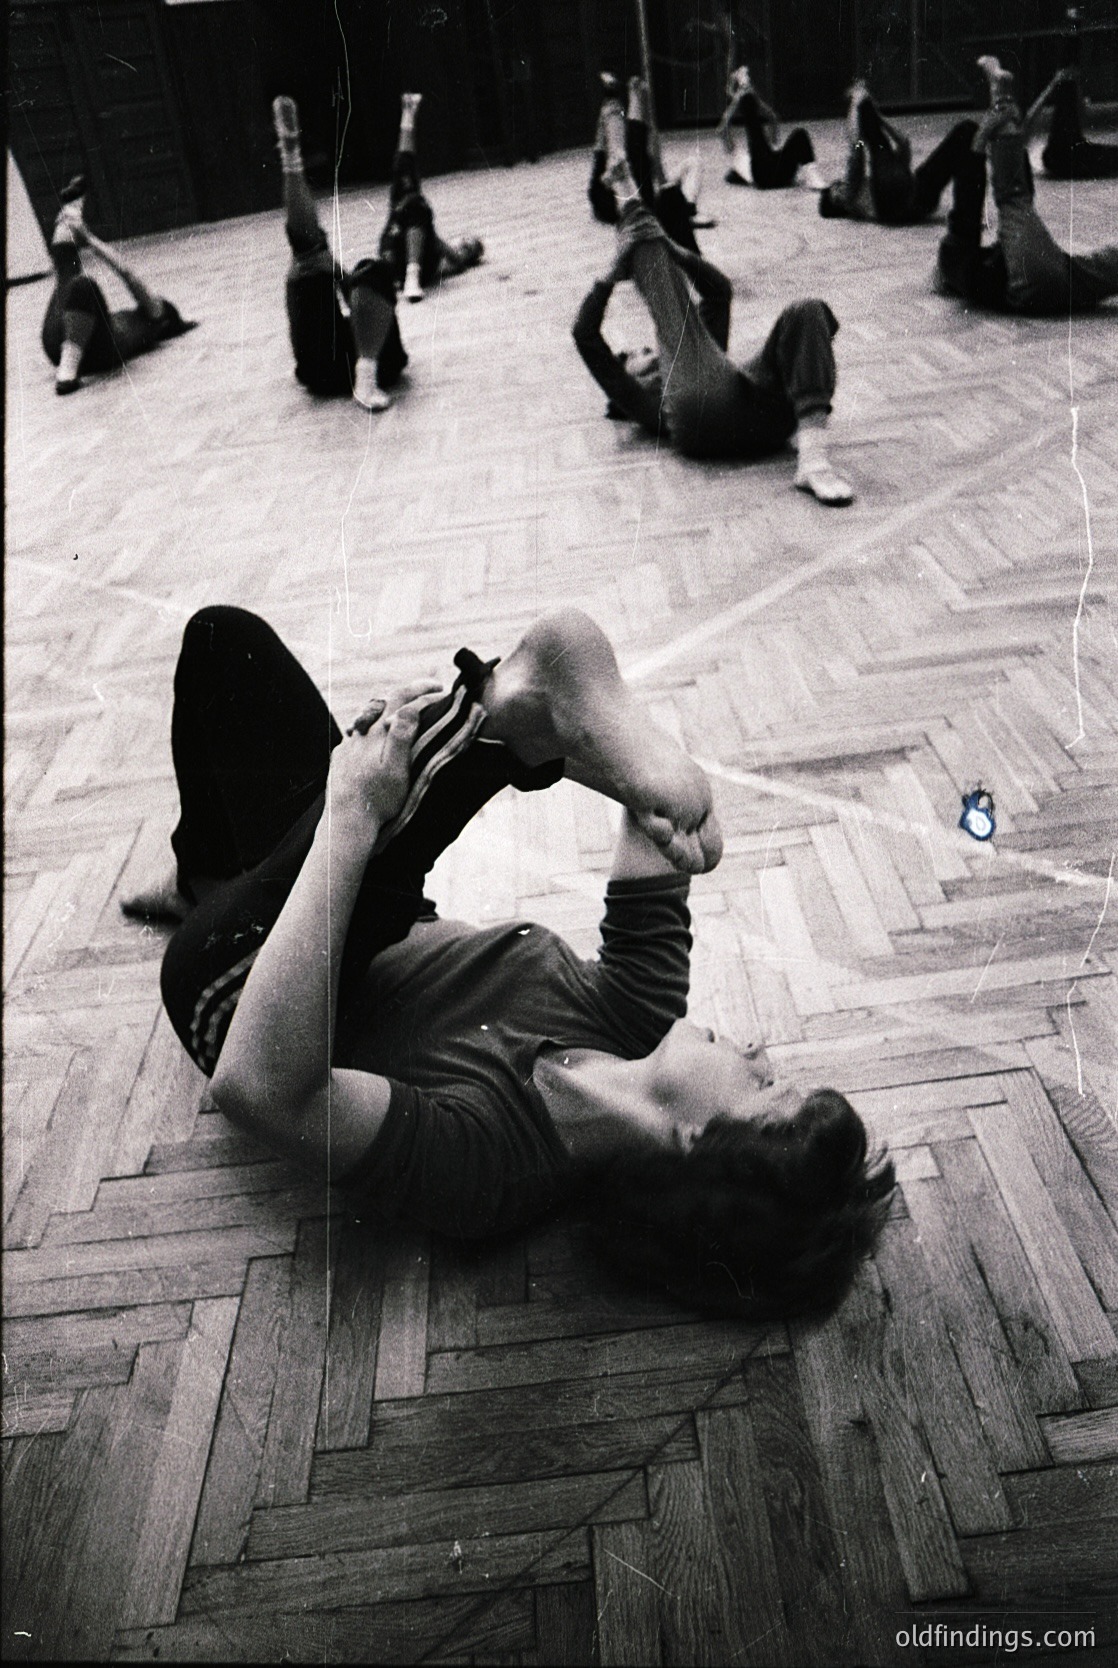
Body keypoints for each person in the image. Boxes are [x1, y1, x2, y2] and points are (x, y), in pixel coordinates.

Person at [124, 603, 893, 1321]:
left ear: (697, 1142)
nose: (758, 1049)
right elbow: (656, 806)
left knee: (385, 800)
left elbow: (261, 1089)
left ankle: (502, 720)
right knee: (226, 644)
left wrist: (353, 814)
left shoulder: (491, 1169)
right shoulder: (640, 1017)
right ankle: (206, 877)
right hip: (361, 907)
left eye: (763, 1085)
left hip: (244, 991)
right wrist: (672, 817)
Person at [572, 98, 853, 505]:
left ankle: (813, 459)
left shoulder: (702, 352)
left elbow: (720, 292)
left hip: (768, 421)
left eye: (642, 349)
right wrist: (612, 272)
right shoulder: (634, 397)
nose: (646, 351)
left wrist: (675, 250)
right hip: (697, 419)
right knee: (658, 279)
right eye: (635, 355)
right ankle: (625, 187)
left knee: (807, 311)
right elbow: (584, 336)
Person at [935, 57, 1118, 316]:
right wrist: (984, 134)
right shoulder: (953, 259)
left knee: (1020, 201)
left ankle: (1001, 99)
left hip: (1058, 278)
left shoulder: (975, 265)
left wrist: (989, 134)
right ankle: (1000, 96)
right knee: (1014, 197)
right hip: (1030, 284)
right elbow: (968, 199)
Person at [272, 96, 407, 412]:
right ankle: (291, 156)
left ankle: (291, 158)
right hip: (349, 363)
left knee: (361, 266)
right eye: (469, 241)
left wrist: (333, 270)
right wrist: (334, 270)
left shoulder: (448, 255)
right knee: (357, 268)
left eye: (471, 246)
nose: (467, 244)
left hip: (350, 366)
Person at [40, 177, 197, 395]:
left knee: (83, 286)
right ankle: (71, 211)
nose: (155, 298)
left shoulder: (156, 318)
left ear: (167, 322)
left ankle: (68, 371)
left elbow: (128, 274)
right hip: (62, 343)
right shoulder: (140, 323)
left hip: (95, 354)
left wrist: (90, 239)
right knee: (68, 270)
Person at [819, 83, 979, 223]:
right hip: (892, 205)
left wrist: (879, 118)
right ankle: (863, 102)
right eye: (835, 188)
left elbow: (903, 142)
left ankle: (864, 105)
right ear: (836, 201)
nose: (838, 183)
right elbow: (857, 149)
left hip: (915, 199)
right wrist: (856, 105)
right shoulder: (848, 198)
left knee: (966, 129)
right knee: (875, 139)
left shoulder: (882, 178)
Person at [378, 93, 483, 303]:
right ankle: (408, 112)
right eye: (465, 240)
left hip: (402, 262)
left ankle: (412, 277)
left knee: (417, 205)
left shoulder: (454, 260)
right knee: (405, 179)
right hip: (393, 247)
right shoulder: (435, 243)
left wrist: (451, 250)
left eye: (467, 246)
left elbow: (443, 249)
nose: (462, 243)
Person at [588, 75, 704, 254]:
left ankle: (622, 98)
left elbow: (656, 167)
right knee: (630, 147)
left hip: (628, 199)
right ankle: (623, 98)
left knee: (628, 149)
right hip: (632, 197)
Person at [718, 66, 824, 190]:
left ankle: (812, 178)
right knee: (755, 131)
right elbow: (722, 129)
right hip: (762, 177)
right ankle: (744, 85)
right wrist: (738, 99)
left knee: (800, 134)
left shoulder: (766, 144)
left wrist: (753, 96)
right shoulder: (736, 153)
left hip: (781, 174)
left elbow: (773, 118)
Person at [1040, 69, 1118, 179]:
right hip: (1073, 156)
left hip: (1060, 157)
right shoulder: (1072, 143)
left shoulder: (1051, 150)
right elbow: (1084, 115)